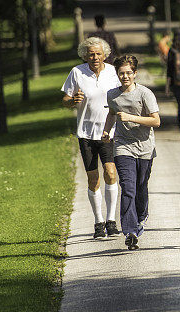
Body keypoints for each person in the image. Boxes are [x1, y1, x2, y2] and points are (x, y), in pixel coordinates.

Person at [61, 36, 121, 239]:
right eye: (91, 54)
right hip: (86, 133)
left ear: (105, 55)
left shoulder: (113, 72)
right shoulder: (77, 72)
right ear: (85, 56)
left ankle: (111, 221)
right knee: (93, 178)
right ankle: (98, 222)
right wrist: (72, 101)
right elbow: (66, 99)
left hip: (108, 131)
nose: (95, 57)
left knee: (111, 173)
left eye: (98, 54)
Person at [101, 54, 161, 250]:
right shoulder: (112, 94)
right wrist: (106, 130)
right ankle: (130, 231)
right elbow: (111, 113)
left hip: (145, 148)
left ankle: (141, 217)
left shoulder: (145, 94)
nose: (125, 76)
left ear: (135, 73)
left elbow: (156, 121)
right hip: (122, 146)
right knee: (128, 188)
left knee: (141, 187)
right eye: (121, 73)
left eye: (128, 73)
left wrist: (131, 118)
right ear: (117, 74)